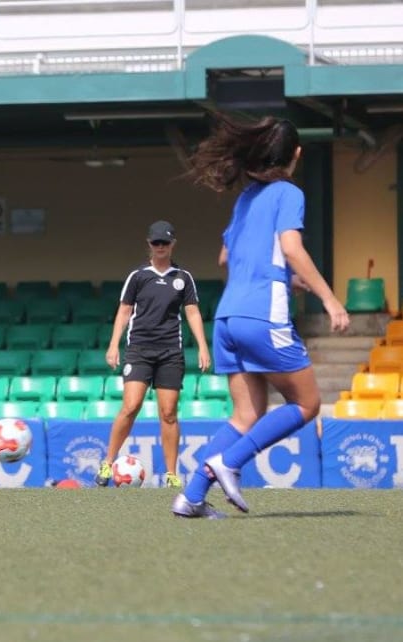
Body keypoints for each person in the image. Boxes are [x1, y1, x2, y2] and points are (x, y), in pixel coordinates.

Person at [172, 115, 349, 519]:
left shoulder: (246, 198)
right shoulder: (288, 192)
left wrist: (283, 279)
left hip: (228, 318)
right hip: (262, 317)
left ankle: (192, 496)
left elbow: (225, 257)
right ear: (296, 155)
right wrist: (329, 298)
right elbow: (291, 248)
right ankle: (231, 462)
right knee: (306, 404)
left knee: (246, 414)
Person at [95, 221, 211, 489]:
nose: (160, 247)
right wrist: (114, 345)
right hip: (139, 349)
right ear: (149, 244)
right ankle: (108, 462)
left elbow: (192, 311)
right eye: (156, 243)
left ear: (173, 244)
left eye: (165, 243)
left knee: (169, 412)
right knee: (131, 406)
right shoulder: (138, 276)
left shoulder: (183, 277)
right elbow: (124, 311)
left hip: (171, 351)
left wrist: (203, 346)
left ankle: (171, 473)